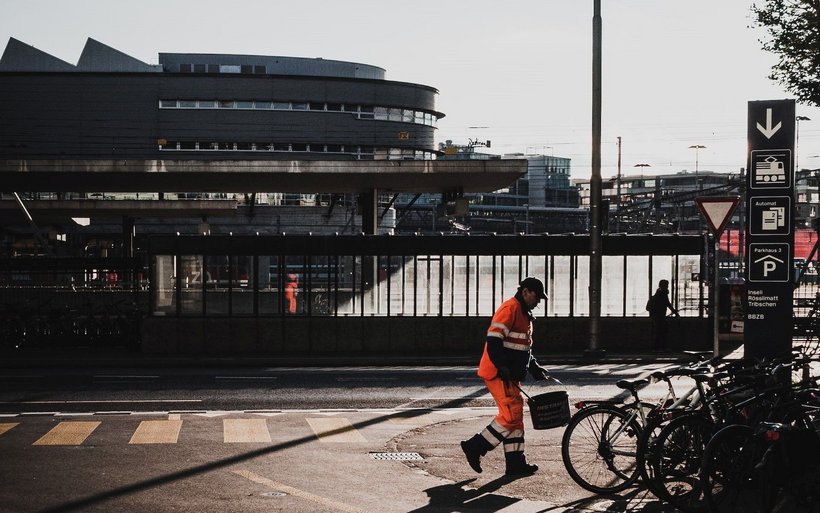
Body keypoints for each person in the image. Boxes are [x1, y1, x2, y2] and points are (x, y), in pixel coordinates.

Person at [460, 277, 551, 477]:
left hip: (507, 373)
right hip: (498, 373)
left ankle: (516, 463)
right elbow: (493, 341)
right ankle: (475, 447)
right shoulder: (510, 309)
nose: (538, 302)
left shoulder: (523, 313)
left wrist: (534, 367)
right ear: (526, 292)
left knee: (515, 416)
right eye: (537, 297)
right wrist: (502, 367)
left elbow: (522, 347)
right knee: (511, 415)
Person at [648, 279, 679, 351]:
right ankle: (661, 347)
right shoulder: (663, 294)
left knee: (659, 331)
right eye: (667, 285)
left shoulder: (657, 294)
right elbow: (668, 304)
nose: (668, 287)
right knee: (662, 331)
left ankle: (657, 348)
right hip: (660, 316)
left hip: (656, 316)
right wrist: (675, 313)